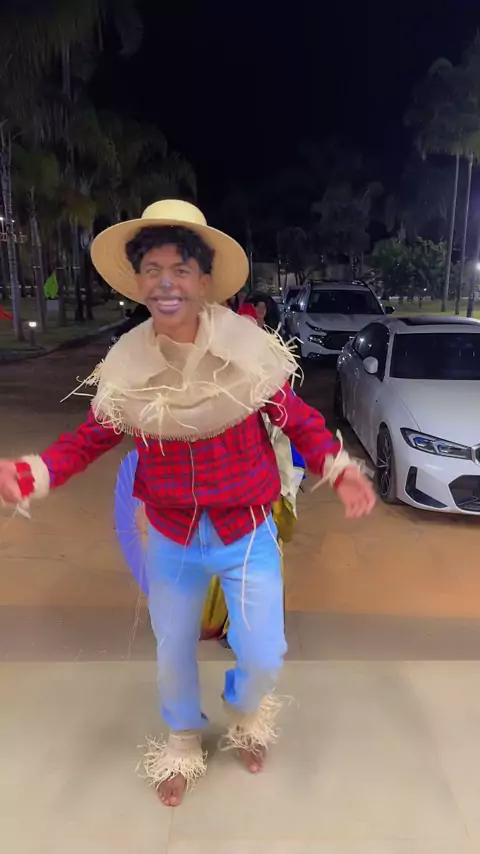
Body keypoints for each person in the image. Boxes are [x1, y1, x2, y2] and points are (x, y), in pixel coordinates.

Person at [0, 199, 375, 808]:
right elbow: (90, 438)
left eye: (180, 268)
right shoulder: (127, 364)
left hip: (247, 530)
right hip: (171, 535)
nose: (166, 282)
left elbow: (298, 419)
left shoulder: (247, 352)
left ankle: (245, 713)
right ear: (138, 282)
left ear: (203, 280)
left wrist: (338, 469)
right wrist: (33, 472)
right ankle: (180, 742)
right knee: (172, 649)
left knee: (264, 653)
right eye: (152, 269)